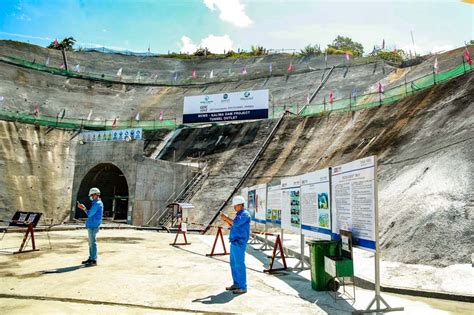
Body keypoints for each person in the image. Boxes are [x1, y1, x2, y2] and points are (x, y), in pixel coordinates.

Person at [220, 196, 251, 294]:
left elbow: (236, 224)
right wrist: (226, 220)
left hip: (239, 242)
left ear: (241, 205)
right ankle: (237, 283)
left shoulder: (245, 214)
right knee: (233, 264)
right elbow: (232, 225)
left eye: (235, 205)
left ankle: (243, 286)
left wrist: (226, 218)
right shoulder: (239, 214)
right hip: (234, 241)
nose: (234, 207)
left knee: (239, 264)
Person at [77, 187, 103, 266]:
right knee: (91, 243)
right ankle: (91, 258)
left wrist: (83, 208)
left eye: (92, 195)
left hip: (93, 225)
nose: (91, 197)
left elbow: (90, 214)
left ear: (95, 195)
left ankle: (94, 259)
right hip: (92, 224)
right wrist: (84, 208)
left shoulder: (97, 204)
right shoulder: (96, 203)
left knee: (93, 242)